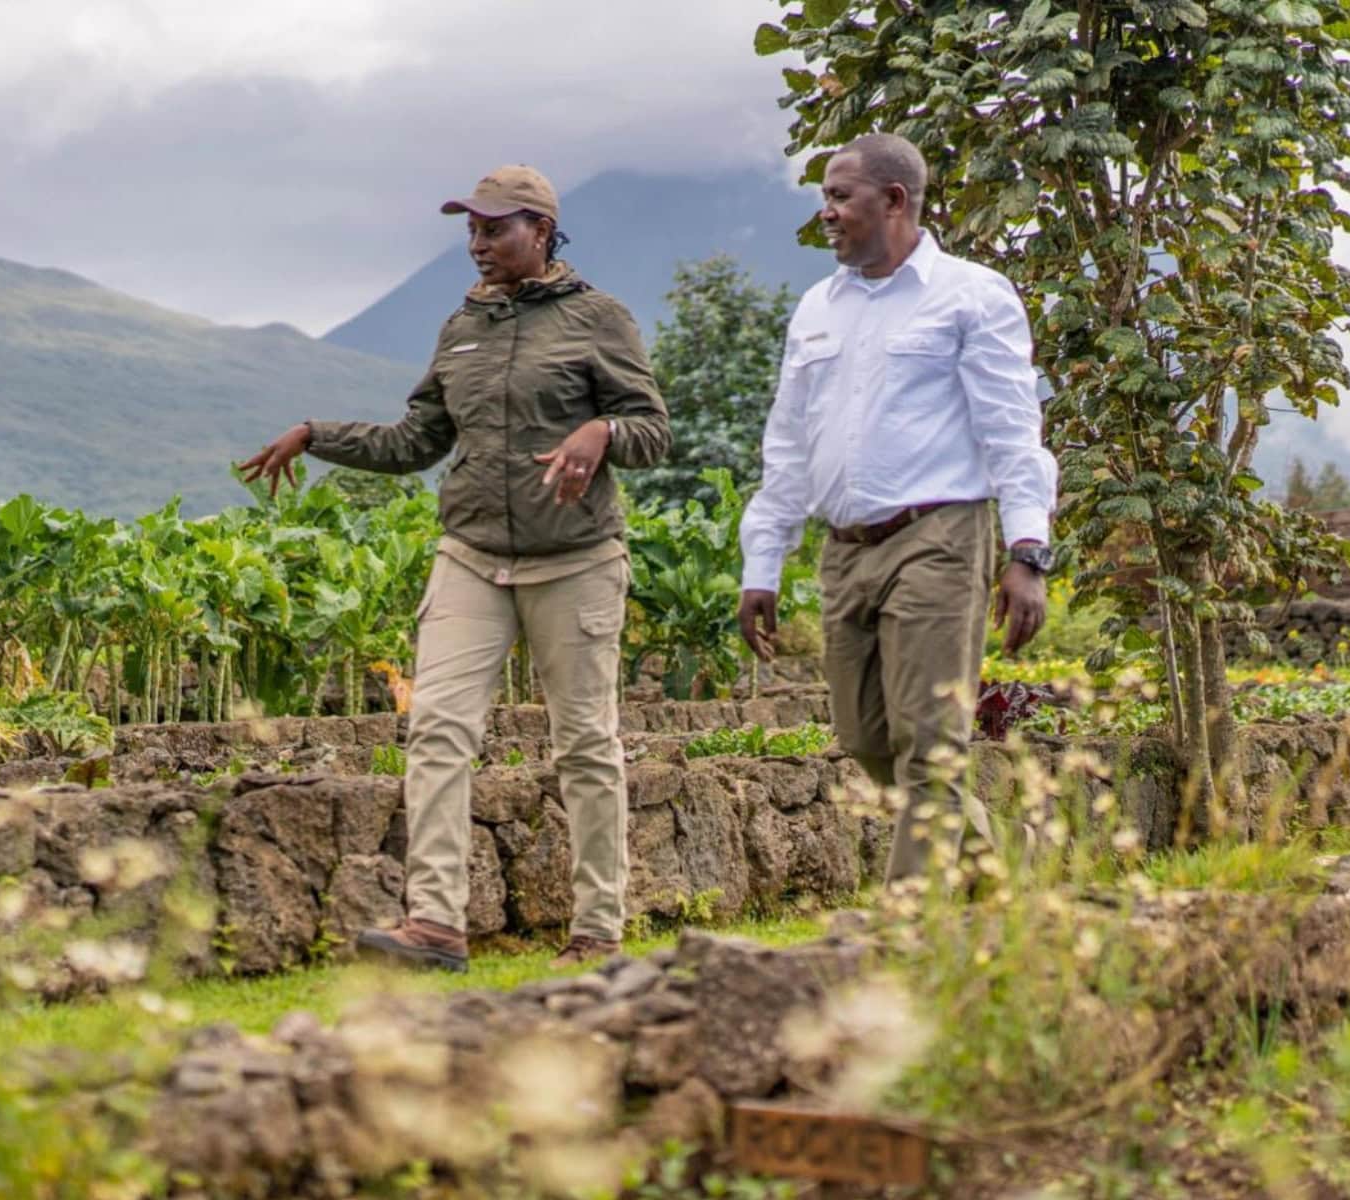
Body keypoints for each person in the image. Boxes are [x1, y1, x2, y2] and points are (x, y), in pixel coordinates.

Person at [241, 165, 671, 971]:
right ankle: (434, 923)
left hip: (574, 559)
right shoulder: (459, 330)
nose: (477, 243)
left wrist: (601, 436)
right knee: (437, 728)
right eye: (471, 229)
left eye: (495, 228)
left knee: (584, 743)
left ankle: (597, 931)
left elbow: (652, 428)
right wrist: (316, 433)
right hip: (472, 555)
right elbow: (417, 443)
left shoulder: (598, 319)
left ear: (541, 232)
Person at [736, 133, 1058, 884]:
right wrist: (765, 563)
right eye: (824, 196)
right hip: (845, 547)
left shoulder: (972, 295)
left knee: (929, 742)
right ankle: (994, 873)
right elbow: (787, 443)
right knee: (865, 739)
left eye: (840, 196)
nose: (827, 212)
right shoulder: (818, 306)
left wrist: (1026, 552)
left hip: (939, 536)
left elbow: (1013, 432)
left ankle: (905, 931)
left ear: (894, 201)